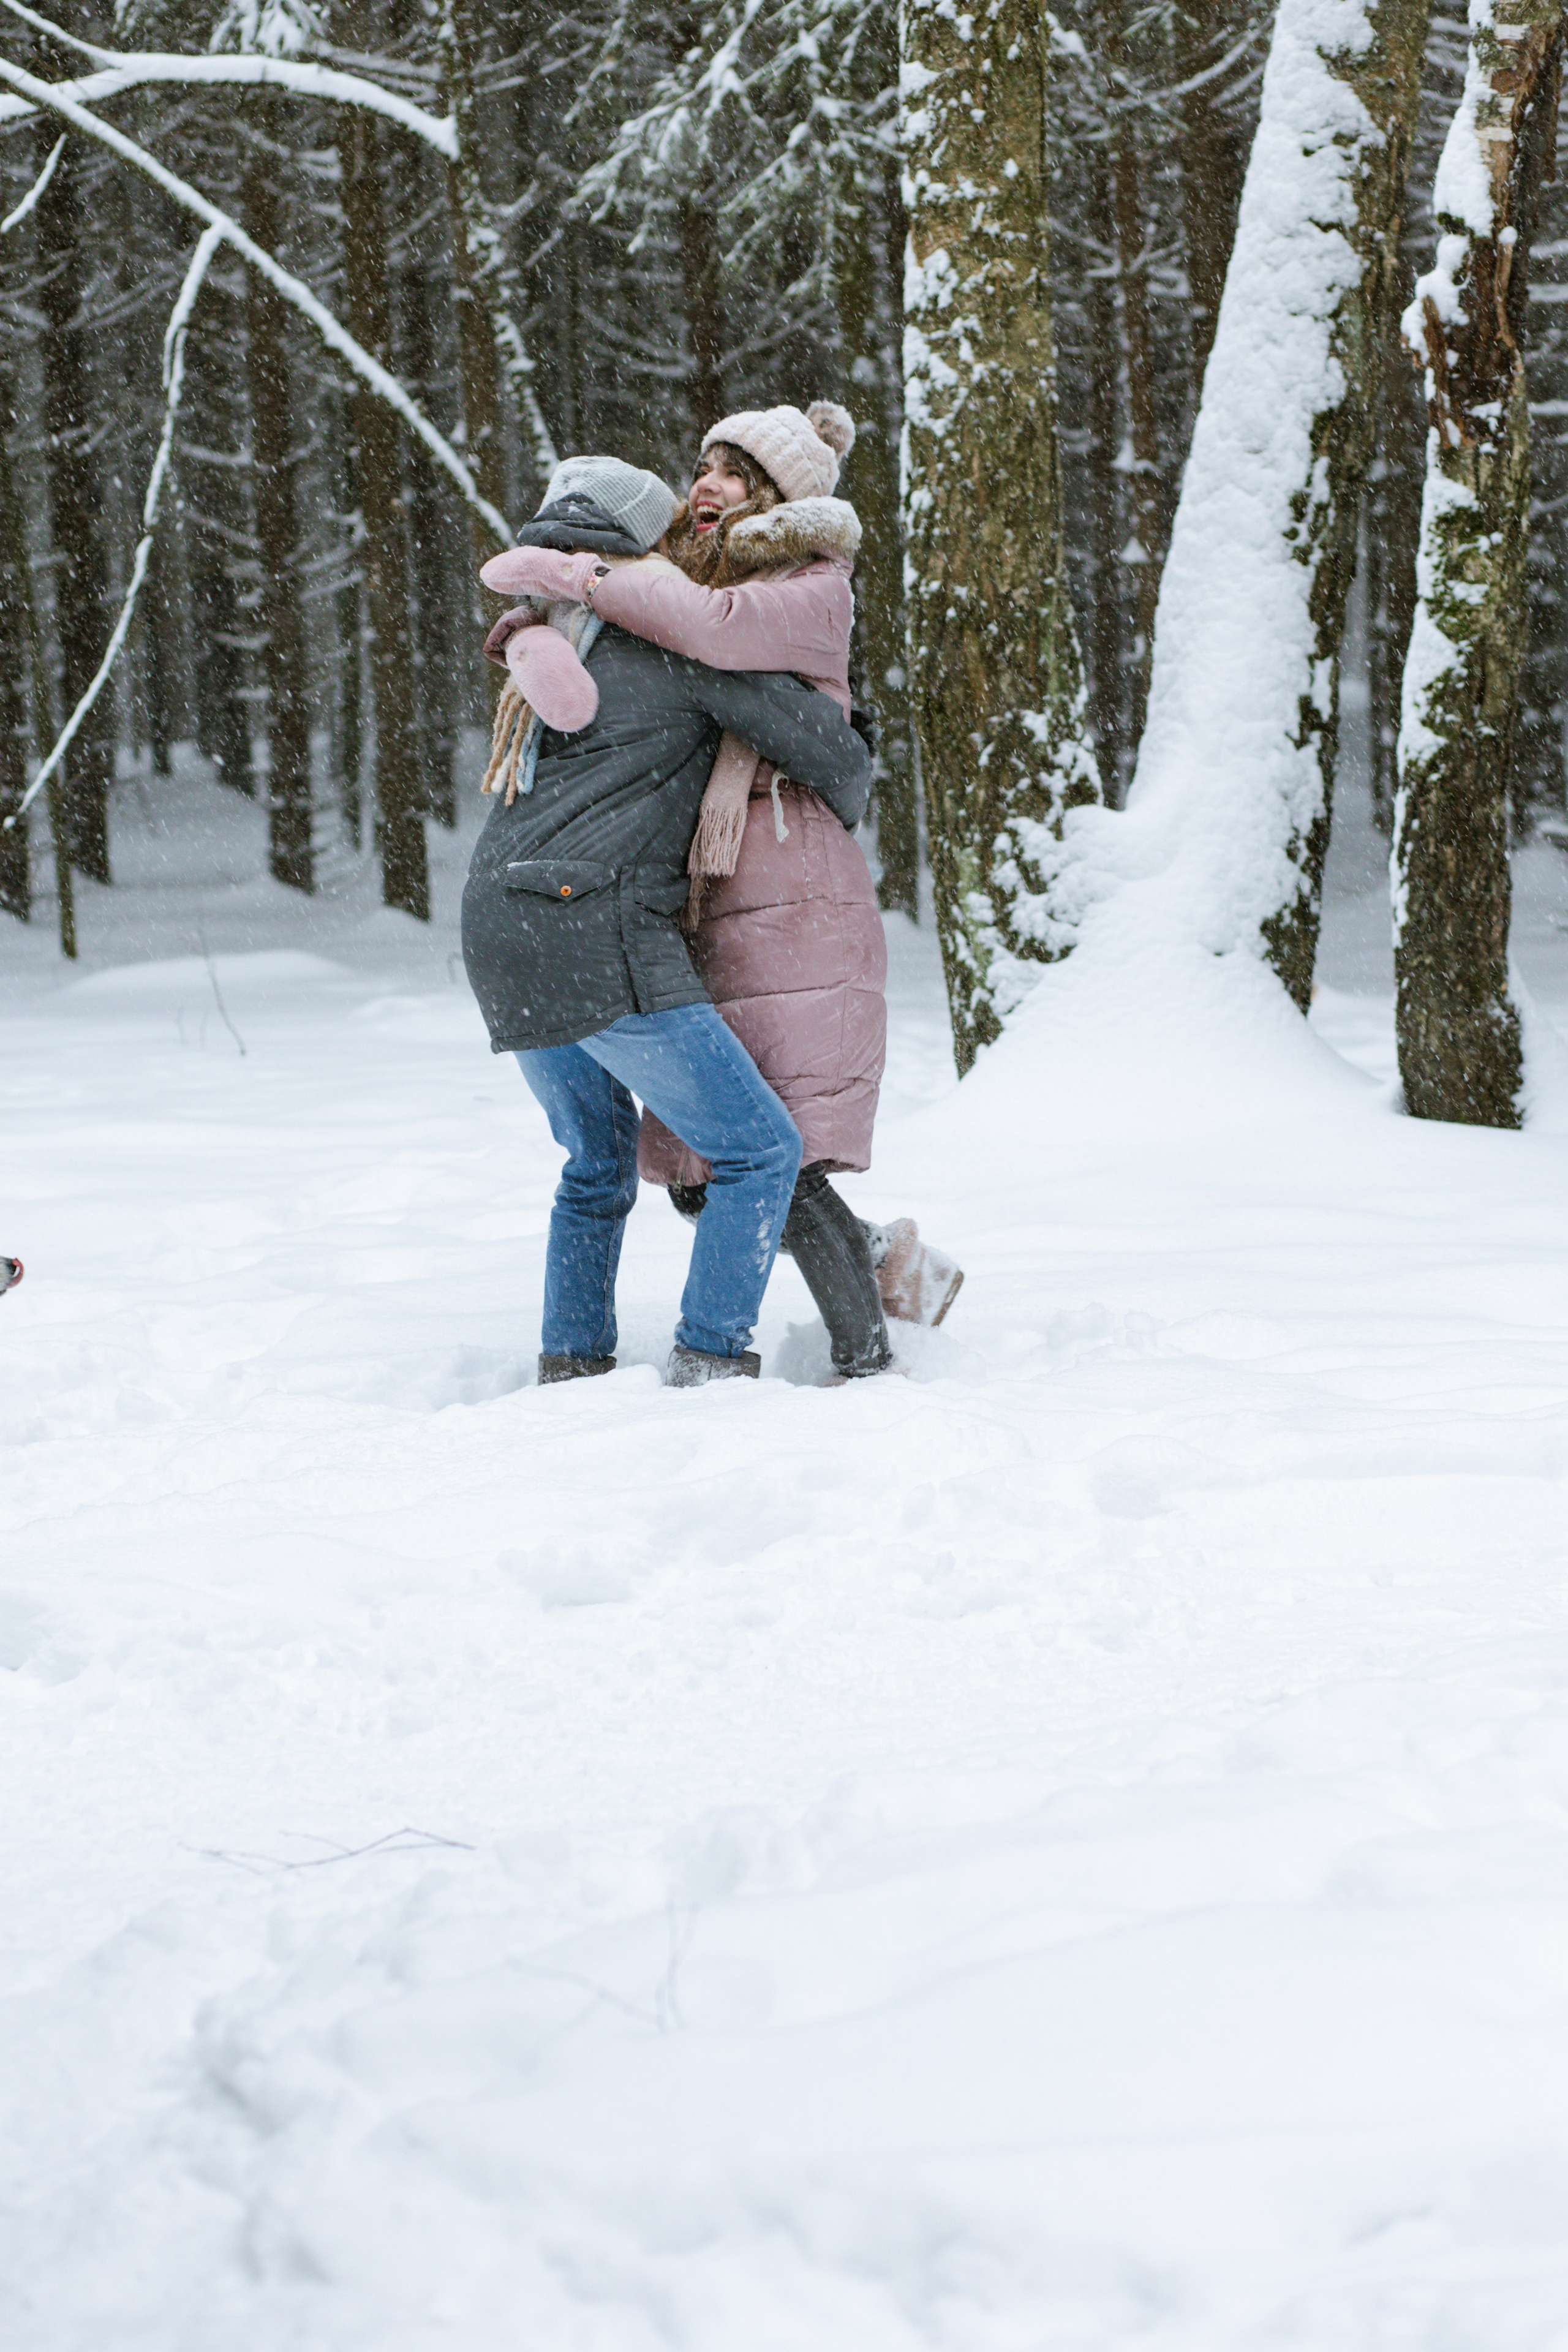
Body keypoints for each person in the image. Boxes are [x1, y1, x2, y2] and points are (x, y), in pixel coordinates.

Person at [481, 403, 963, 1381]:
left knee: (692, 1159)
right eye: (700, 469)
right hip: (649, 906)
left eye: (733, 474)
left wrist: (570, 583)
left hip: (676, 903)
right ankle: (789, 1320)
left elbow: (734, 652)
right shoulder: (658, 635)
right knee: (736, 1162)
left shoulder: (614, 634)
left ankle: (610, 1366)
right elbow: (790, 721)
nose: (705, 489)